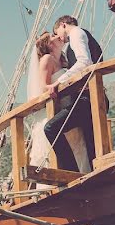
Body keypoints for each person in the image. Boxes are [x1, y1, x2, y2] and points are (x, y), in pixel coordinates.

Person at [43, 15, 103, 172]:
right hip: (94, 97)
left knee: (51, 128)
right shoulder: (84, 37)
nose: (60, 38)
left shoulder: (76, 33)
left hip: (87, 100)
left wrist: (58, 82)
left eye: (58, 33)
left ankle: (71, 172)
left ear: (63, 25)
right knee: (91, 147)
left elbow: (84, 62)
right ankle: (95, 178)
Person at [27, 32, 90, 177]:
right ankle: (70, 175)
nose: (58, 36)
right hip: (55, 109)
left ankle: (80, 174)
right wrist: (52, 88)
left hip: (68, 106)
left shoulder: (63, 59)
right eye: (53, 36)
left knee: (76, 143)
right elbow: (43, 87)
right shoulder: (47, 59)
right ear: (49, 44)